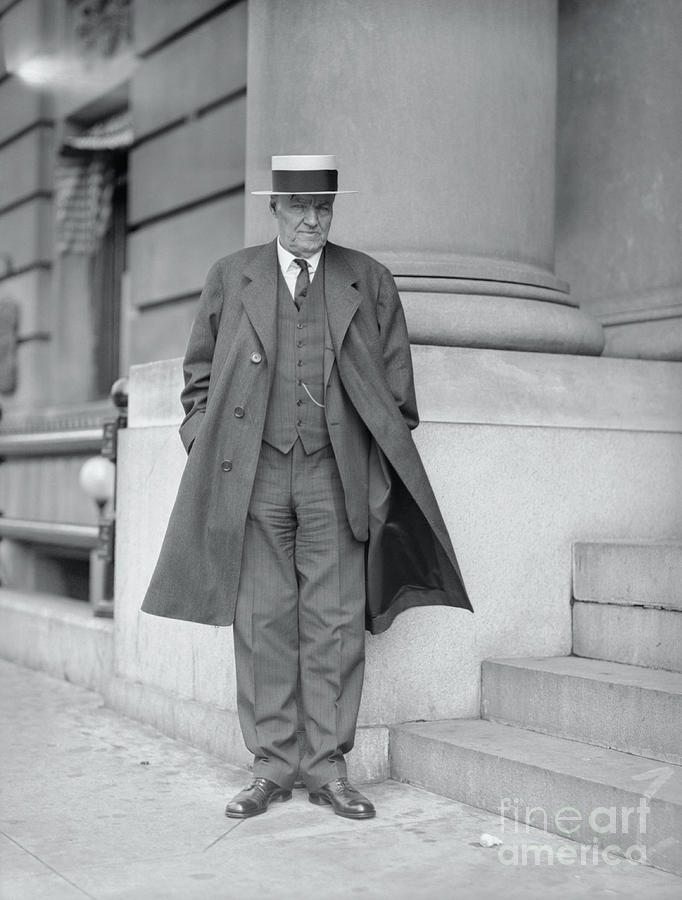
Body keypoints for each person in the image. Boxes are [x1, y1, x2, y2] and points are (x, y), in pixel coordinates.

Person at [141, 155, 472, 821]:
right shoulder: (232, 277)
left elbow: (399, 396)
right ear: (274, 208)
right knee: (262, 623)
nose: (311, 219)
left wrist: (370, 464)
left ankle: (327, 769)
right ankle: (269, 769)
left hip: (336, 475)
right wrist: (211, 450)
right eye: (297, 207)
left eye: (322, 207)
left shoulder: (369, 281)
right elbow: (198, 382)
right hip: (254, 478)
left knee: (337, 623)